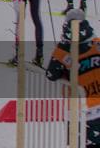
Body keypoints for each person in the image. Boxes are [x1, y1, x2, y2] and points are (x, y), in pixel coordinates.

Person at [46, 9, 100, 148]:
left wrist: (62, 48)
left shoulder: (65, 49)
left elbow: (51, 74)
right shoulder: (97, 43)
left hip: (83, 112)